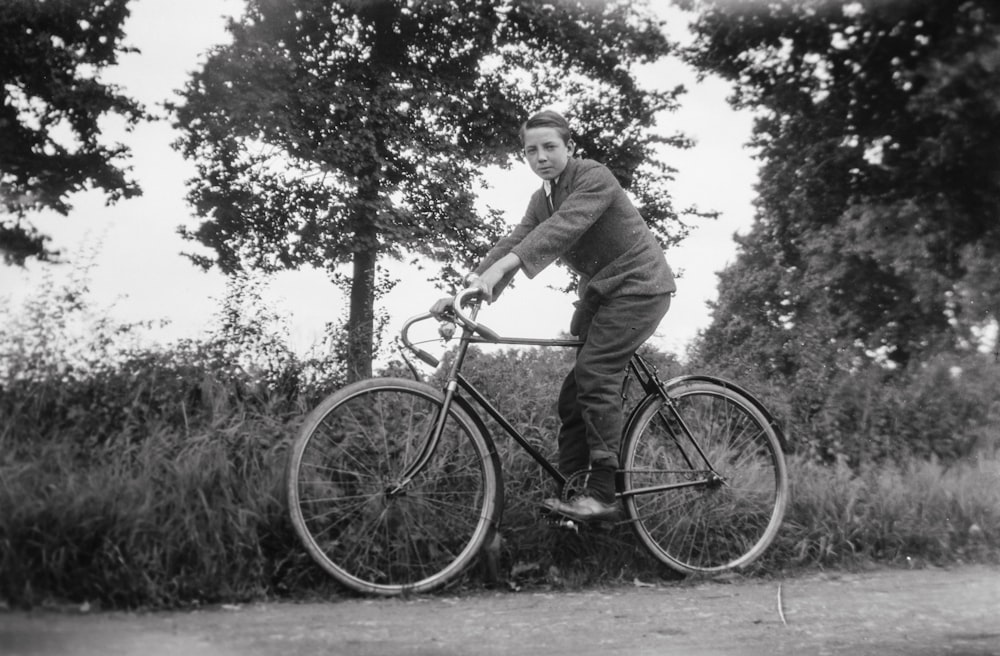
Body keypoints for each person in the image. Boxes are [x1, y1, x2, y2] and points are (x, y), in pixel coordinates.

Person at [433, 109, 675, 522]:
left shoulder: (592, 176)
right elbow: (519, 238)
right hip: (602, 295)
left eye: (550, 147)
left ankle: (603, 496)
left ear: (570, 148)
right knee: (573, 395)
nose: (541, 157)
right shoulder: (541, 198)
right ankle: (574, 492)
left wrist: (503, 268)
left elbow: (562, 228)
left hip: (639, 288)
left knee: (596, 373)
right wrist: (470, 286)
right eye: (531, 150)